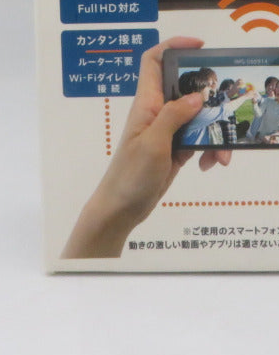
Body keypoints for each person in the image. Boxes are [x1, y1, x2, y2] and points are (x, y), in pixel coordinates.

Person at [61, 37, 228, 259]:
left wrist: (117, 211)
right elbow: (228, 107)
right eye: (210, 84)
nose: (214, 87)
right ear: (198, 90)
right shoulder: (202, 113)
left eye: (215, 82)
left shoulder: (201, 112)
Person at [176, 70, 257, 147]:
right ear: (197, 90)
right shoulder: (197, 113)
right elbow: (225, 109)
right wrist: (246, 96)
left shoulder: (190, 109)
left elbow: (219, 103)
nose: (210, 89)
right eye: (207, 86)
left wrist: (235, 93)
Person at [246, 77, 279, 144]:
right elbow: (258, 114)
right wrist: (254, 104)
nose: (277, 89)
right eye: (277, 87)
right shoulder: (268, 101)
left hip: (278, 137)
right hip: (263, 137)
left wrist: (272, 136)